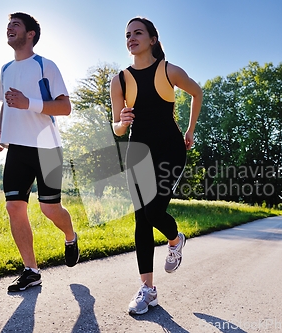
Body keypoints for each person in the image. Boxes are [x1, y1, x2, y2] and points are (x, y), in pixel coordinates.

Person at [110, 17, 203, 314]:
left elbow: (197, 92)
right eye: (127, 35)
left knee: (153, 212)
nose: (131, 38)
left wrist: (189, 131)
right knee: (141, 217)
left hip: (170, 149)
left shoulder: (168, 70)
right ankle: (148, 290)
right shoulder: (120, 80)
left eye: (138, 33)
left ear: (152, 39)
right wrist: (121, 122)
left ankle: (175, 238)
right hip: (137, 152)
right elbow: (118, 129)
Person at [0, 12, 79, 292]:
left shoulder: (45, 65)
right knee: (13, 207)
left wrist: (28, 102)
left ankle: (70, 235)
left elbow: (65, 107)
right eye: (9, 25)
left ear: (30, 34)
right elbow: (6, 104)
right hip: (17, 147)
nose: (10, 28)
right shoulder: (5, 69)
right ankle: (31, 271)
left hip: (47, 147)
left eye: (15, 25)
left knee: (49, 208)